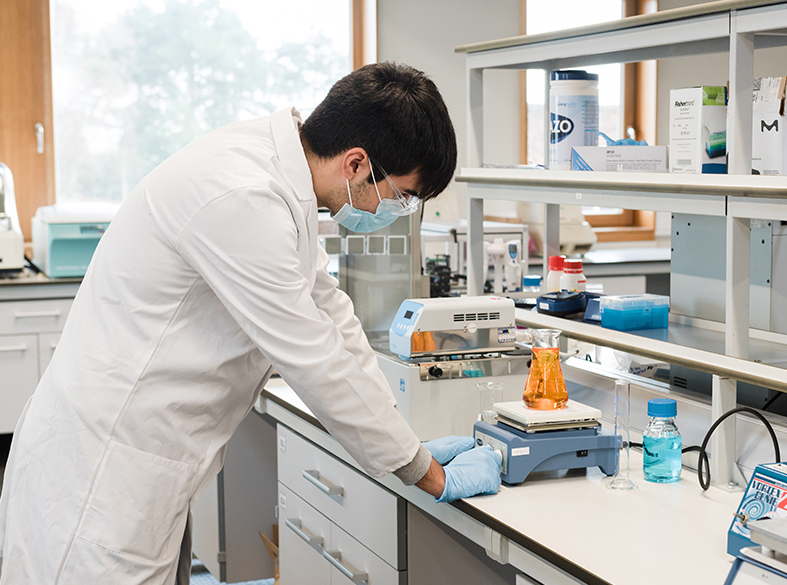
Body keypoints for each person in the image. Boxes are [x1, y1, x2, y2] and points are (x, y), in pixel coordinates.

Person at [0, 62, 502, 585]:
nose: (394, 212)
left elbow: (333, 318)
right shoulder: (246, 198)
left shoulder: (282, 179)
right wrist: (424, 472)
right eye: (400, 196)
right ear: (356, 164)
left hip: (143, 471)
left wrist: (405, 437)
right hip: (100, 481)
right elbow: (316, 361)